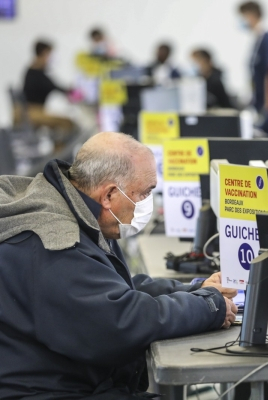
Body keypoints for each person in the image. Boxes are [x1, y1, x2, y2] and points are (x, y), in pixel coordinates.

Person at [0, 132, 237, 398]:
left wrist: (195, 289)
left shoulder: (71, 207)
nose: (147, 202)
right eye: (145, 193)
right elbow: (119, 322)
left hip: (64, 378)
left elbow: (109, 288)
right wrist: (209, 306)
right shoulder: (56, 241)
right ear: (110, 195)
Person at [21, 40, 74, 134]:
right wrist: (73, 92)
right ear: (44, 53)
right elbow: (54, 87)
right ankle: (59, 148)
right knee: (68, 123)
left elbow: (54, 86)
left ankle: (58, 147)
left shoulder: (33, 71)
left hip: (31, 111)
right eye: (50, 54)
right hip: (33, 112)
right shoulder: (36, 74)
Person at [238, 1, 268, 113]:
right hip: (257, 100)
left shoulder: (267, 41)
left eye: (242, 17)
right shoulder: (257, 40)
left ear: (251, 16)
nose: (241, 21)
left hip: (265, 103)